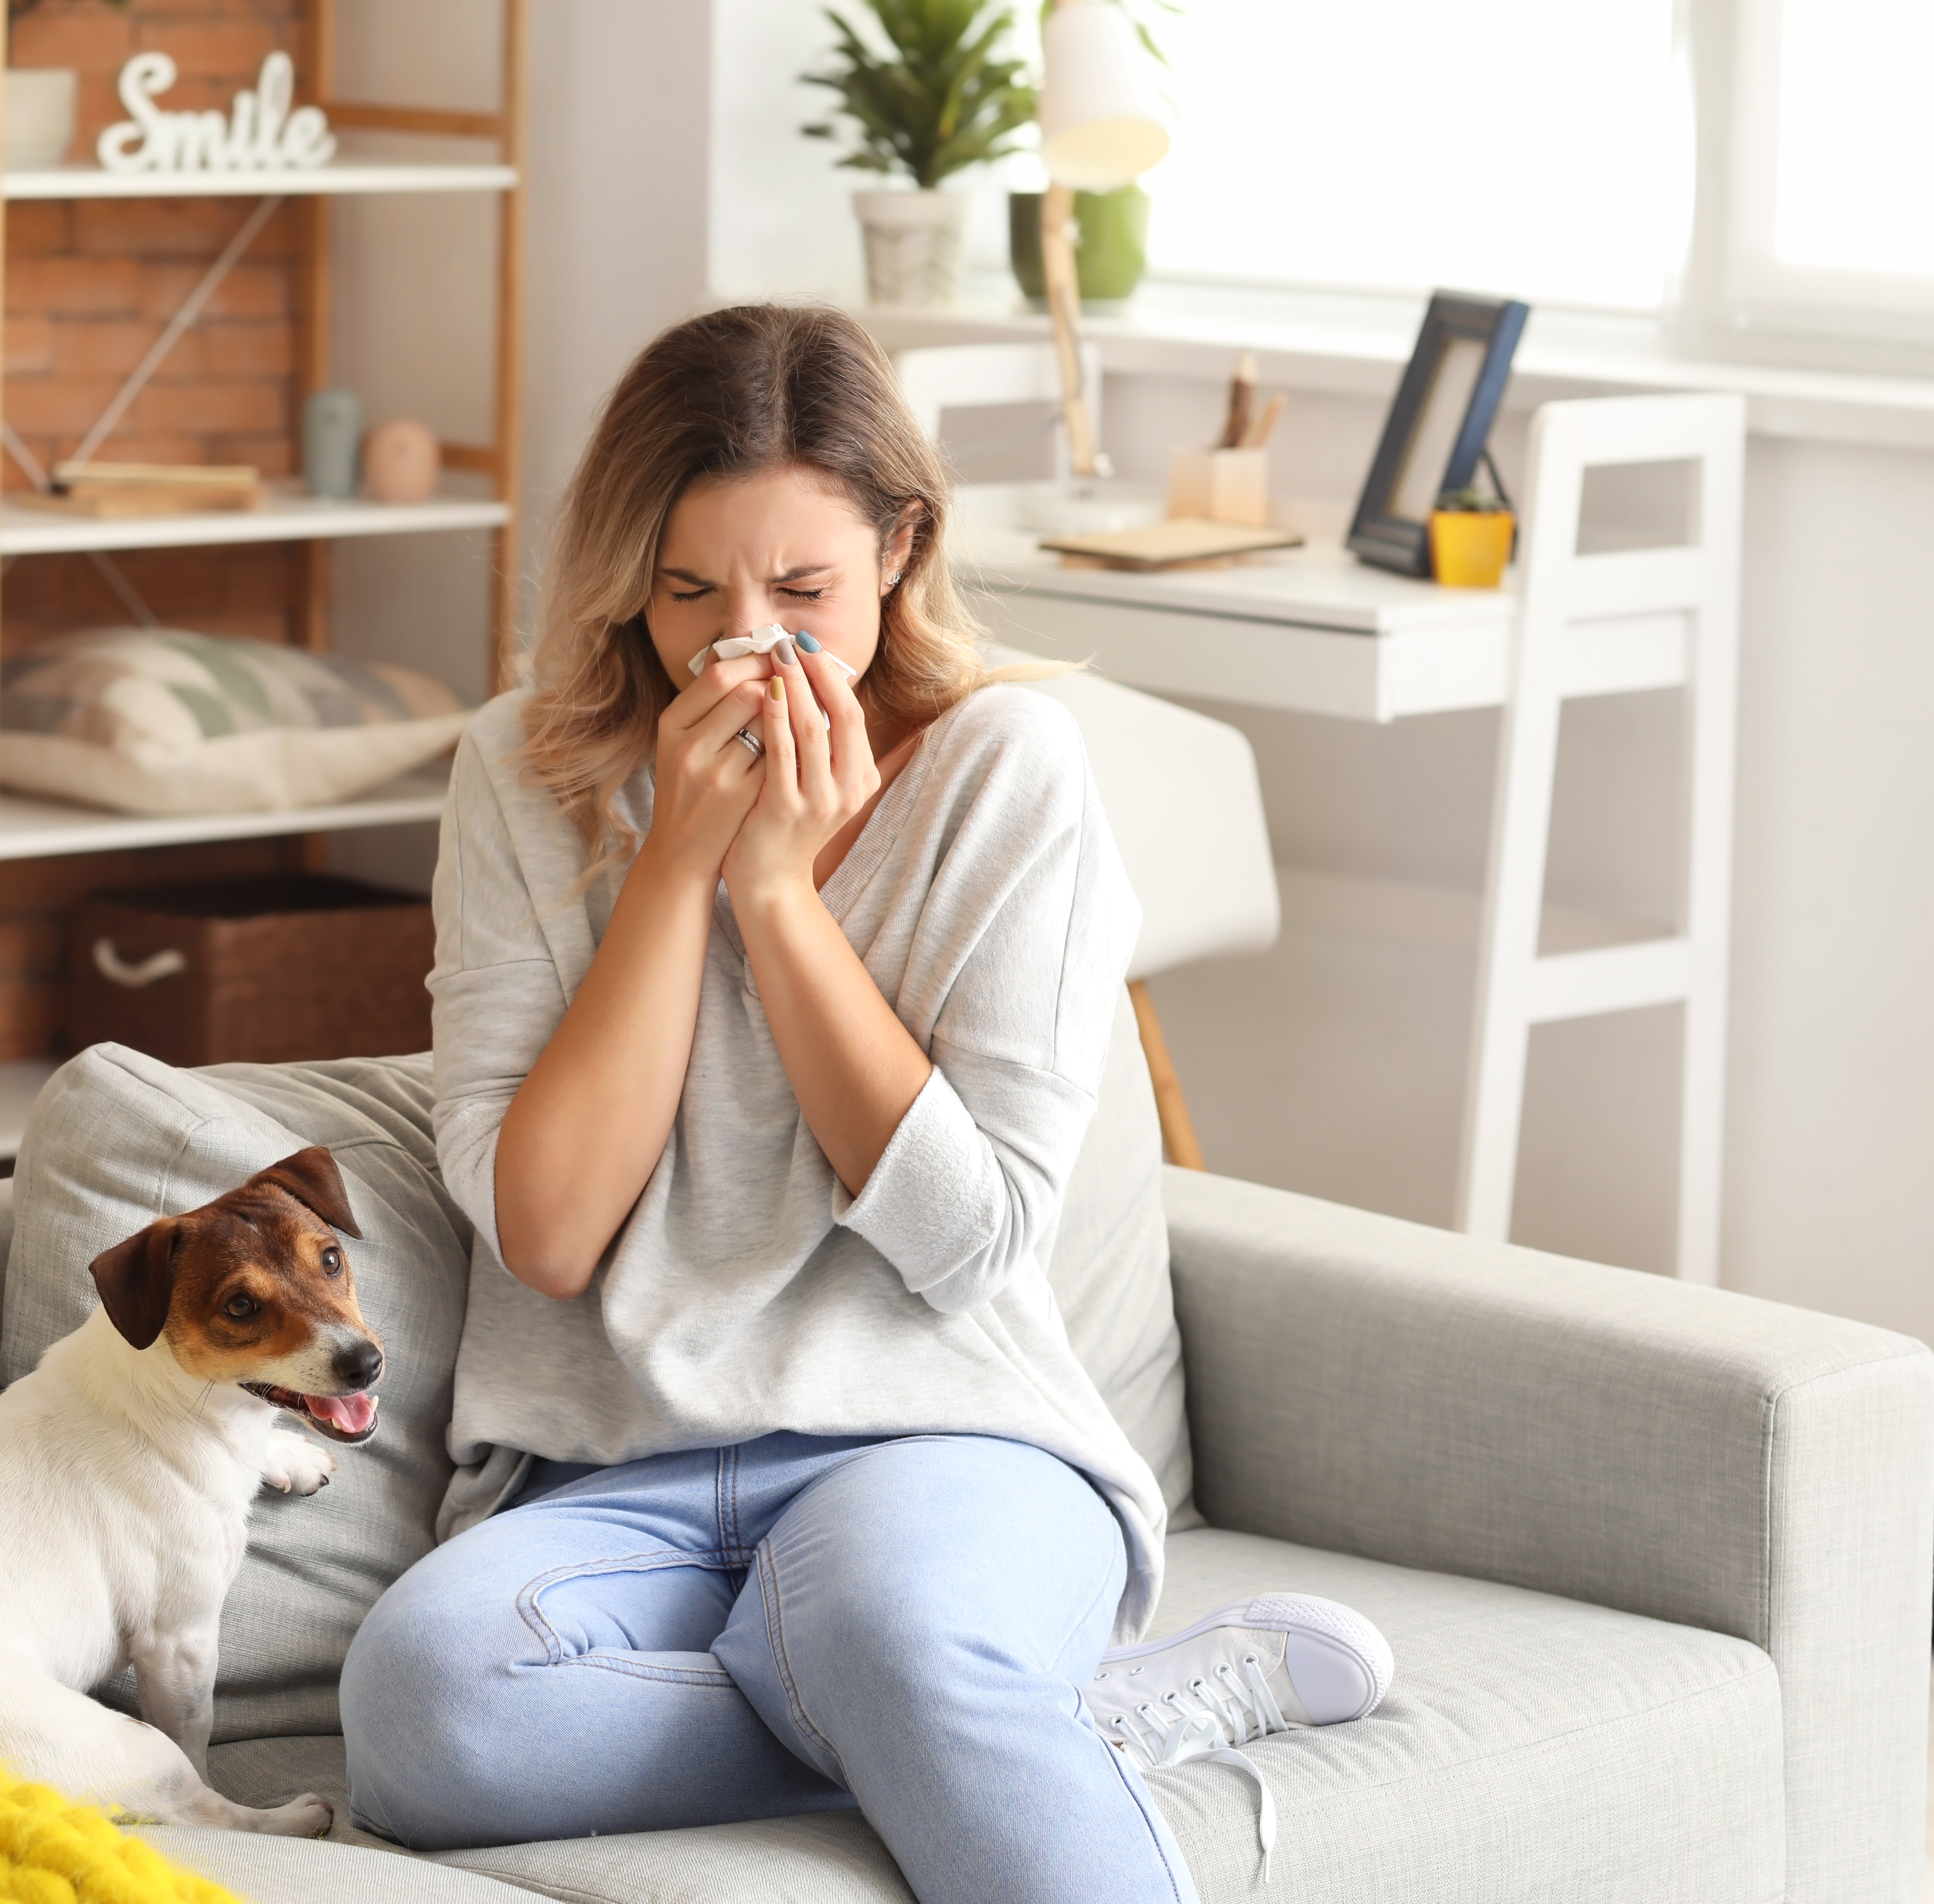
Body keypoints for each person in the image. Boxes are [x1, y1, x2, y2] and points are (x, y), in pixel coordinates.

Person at [338, 305, 1381, 1903]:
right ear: (632, 577)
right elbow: (545, 1234)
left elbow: (973, 1241)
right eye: (690, 593)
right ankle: (1027, 1721)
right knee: (427, 1710)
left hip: (942, 1436)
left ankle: (953, 1696)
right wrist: (676, 866)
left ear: (900, 548)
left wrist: (780, 895)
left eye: (803, 591)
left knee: (886, 1626)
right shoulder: (522, 778)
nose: (745, 643)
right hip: (606, 1474)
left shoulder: (1005, 770)